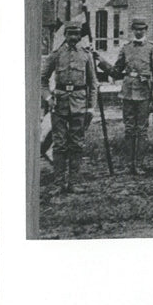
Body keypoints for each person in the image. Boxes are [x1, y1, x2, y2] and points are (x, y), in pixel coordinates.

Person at [41, 22, 97, 192]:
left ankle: (74, 182)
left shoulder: (86, 55)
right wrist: (49, 97)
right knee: (59, 144)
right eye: (70, 34)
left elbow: (93, 83)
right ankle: (59, 183)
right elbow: (42, 80)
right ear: (65, 35)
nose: (73, 37)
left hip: (80, 104)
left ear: (80, 36)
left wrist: (91, 107)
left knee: (76, 144)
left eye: (76, 34)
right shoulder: (56, 55)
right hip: (59, 104)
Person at [106, 16, 153, 174]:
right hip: (128, 93)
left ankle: (139, 164)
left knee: (141, 130)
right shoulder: (126, 48)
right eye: (136, 29)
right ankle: (128, 164)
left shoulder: (152, 48)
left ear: (146, 30)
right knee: (129, 129)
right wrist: (100, 62)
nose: (139, 32)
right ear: (133, 30)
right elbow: (116, 71)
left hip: (144, 93)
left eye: (142, 29)